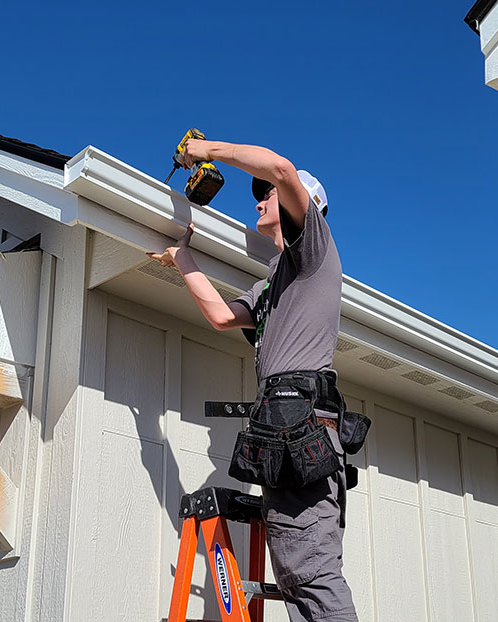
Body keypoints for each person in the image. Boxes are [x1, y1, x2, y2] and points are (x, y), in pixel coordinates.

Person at [147, 138, 358, 622]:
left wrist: (205, 150)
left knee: (312, 571)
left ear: (302, 205)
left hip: (302, 429)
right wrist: (182, 259)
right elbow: (223, 317)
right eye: (258, 192)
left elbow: (281, 167)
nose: (259, 198)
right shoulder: (271, 285)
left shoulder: (314, 254)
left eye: (268, 193)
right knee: (293, 570)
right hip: (283, 434)